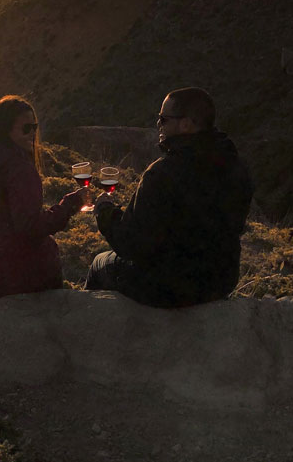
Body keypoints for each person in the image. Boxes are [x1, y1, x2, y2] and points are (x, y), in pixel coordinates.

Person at [85, 87, 252, 308]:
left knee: (99, 263)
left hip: (168, 288)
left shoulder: (163, 173)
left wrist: (105, 212)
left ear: (186, 124)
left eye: (163, 119)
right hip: (220, 281)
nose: (158, 125)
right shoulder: (236, 167)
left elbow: (132, 246)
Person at [0, 95, 89, 299]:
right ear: (5, 131)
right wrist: (71, 203)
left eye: (34, 127)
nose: (33, 134)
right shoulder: (19, 169)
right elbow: (30, 227)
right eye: (25, 128)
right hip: (15, 276)